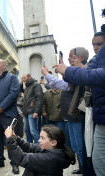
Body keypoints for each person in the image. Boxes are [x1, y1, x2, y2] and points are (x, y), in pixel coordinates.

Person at [54, 24, 105, 176]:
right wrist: (68, 71)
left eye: (99, 44)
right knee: (92, 157)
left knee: (84, 151)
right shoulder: (96, 60)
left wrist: (68, 70)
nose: (96, 47)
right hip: (97, 118)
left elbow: (87, 78)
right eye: (94, 44)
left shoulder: (88, 64)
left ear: (81, 57)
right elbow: (81, 77)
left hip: (81, 117)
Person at [42, 47, 90, 175]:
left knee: (80, 148)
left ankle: (86, 171)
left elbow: (64, 86)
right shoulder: (75, 73)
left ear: (82, 58)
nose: (69, 60)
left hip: (76, 117)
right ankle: (82, 168)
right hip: (69, 117)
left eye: (72, 57)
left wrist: (47, 75)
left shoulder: (81, 72)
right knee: (75, 147)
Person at [5, 125, 75, 176]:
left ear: (53, 142)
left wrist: (9, 139)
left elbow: (22, 159)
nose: (39, 140)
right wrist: (16, 138)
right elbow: (30, 147)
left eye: (42, 138)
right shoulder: (50, 149)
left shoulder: (50, 158)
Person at [20, 73, 43, 144]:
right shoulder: (27, 86)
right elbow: (21, 91)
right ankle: (29, 147)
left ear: (29, 77)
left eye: (24, 78)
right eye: (22, 78)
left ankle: (38, 148)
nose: (23, 79)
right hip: (26, 112)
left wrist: (36, 111)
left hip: (32, 112)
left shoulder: (36, 85)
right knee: (26, 130)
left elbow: (40, 98)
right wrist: (21, 83)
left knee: (33, 131)